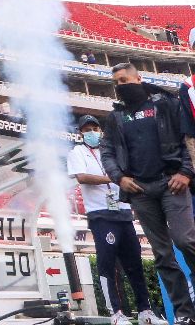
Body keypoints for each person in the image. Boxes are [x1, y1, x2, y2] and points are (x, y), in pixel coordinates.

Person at [102, 63, 195, 325]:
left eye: (124, 80)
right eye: (116, 83)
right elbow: (107, 152)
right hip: (140, 190)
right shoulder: (116, 116)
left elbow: (188, 138)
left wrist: (186, 172)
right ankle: (185, 314)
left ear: (138, 78)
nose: (121, 86)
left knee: (185, 240)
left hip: (172, 182)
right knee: (162, 254)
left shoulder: (167, 104)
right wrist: (119, 178)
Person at [68, 115, 165, 325]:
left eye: (95, 127)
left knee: (135, 264)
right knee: (108, 264)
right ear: (80, 133)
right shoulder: (78, 152)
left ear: (101, 130)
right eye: (87, 129)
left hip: (123, 212)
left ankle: (145, 311)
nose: (91, 132)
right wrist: (114, 178)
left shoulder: (111, 153)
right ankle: (116, 313)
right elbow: (82, 177)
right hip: (100, 214)